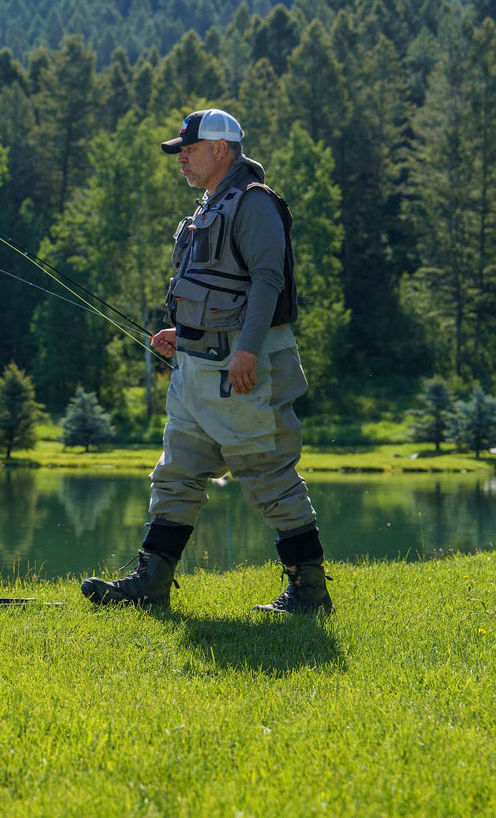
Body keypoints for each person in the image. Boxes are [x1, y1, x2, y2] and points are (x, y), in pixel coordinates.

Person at [81, 108, 332, 614]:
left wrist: (247, 349)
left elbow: (267, 280)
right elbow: (219, 289)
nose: (182, 160)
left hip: (242, 371)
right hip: (197, 370)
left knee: (268, 476)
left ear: (221, 150)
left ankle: (309, 592)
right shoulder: (210, 204)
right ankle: (151, 583)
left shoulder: (254, 202)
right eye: (180, 152)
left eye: (189, 150)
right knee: (175, 474)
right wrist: (184, 333)